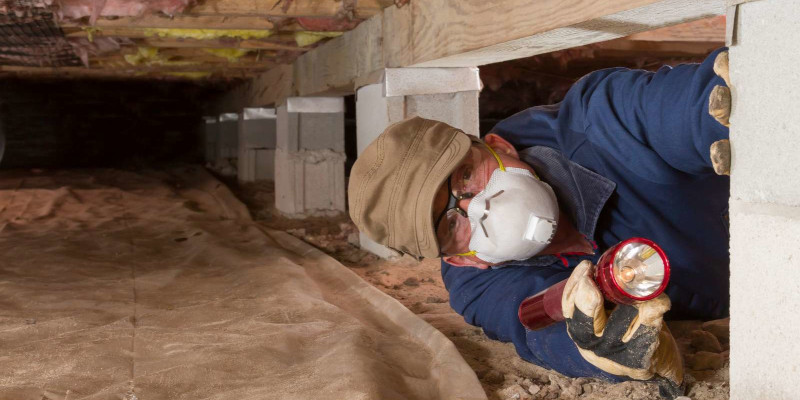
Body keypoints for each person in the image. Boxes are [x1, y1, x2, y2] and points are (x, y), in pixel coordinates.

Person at [348, 48, 732, 399]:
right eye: (450, 225)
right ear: (461, 260)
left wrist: (729, 104)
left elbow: (675, 107)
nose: (477, 206)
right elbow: (533, 326)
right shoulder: (479, 288)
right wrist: (594, 346)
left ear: (498, 147)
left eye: (464, 178)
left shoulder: (597, 123)